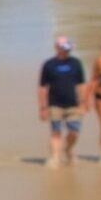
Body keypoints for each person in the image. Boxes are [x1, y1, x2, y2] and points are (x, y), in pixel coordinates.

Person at [38, 35, 89, 166]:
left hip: (73, 104)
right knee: (56, 132)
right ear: (57, 48)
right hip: (54, 104)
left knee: (74, 132)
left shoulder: (76, 63)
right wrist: (43, 108)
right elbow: (43, 88)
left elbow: (82, 84)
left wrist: (84, 102)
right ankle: (55, 157)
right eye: (64, 48)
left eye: (68, 48)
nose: (67, 51)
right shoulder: (48, 65)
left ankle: (68, 149)